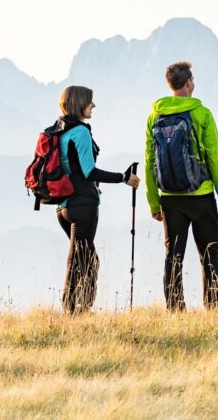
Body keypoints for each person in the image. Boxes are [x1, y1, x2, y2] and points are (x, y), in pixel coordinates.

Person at [145, 61, 218, 311]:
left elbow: (150, 160)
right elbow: (214, 158)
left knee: (173, 257)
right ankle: (214, 310)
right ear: (188, 83)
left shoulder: (155, 115)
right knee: (209, 258)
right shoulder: (202, 114)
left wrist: (154, 202)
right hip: (201, 195)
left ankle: (175, 311)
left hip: (170, 198)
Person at [55, 85, 140, 314]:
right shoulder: (80, 131)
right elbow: (89, 172)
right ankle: (72, 313)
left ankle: (81, 310)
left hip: (63, 207)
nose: (93, 105)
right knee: (77, 262)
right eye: (90, 101)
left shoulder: (60, 128)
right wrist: (124, 178)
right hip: (83, 206)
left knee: (89, 260)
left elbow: (71, 168)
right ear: (79, 103)